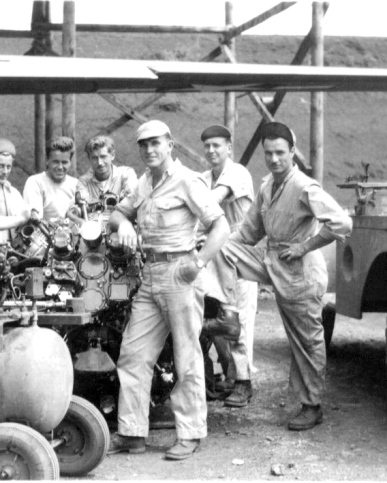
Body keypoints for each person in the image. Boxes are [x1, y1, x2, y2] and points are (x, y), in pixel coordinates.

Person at [207, 121, 352, 430]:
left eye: (280, 153)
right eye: (268, 153)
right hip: (272, 262)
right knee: (222, 249)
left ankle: (312, 406)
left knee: (305, 341)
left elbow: (342, 223)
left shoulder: (304, 186)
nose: (274, 159)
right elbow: (247, 233)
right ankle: (229, 315)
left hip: (301, 273)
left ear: (293, 152)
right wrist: (208, 243)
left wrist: (305, 246)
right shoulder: (267, 186)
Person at [106, 120, 231, 460]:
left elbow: (221, 225)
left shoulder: (187, 181)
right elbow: (116, 215)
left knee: (186, 357)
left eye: (155, 143)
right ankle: (132, 433)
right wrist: (127, 222)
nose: (149, 150)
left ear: (170, 144)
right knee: (133, 354)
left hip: (180, 272)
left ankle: (190, 434)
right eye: (143, 145)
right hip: (151, 274)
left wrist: (200, 261)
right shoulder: (144, 182)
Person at [197, 124, 259, 408]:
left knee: (239, 321)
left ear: (229, 148)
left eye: (217, 146)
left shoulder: (237, 172)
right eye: (207, 146)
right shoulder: (203, 177)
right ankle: (230, 374)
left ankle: (244, 382)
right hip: (215, 254)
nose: (211, 151)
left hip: (239, 253)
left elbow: (212, 201)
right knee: (217, 318)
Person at [22, 136, 79, 223]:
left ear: (70, 162)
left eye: (64, 162)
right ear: (47, 161)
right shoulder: (35, 182)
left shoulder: (76, 185)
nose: (60, 167)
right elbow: (35, 220)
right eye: (55, 162)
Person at [76, 135, 138, 202]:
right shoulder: (84, 182)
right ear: (89, 159)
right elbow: (81, 204)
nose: (99, 163)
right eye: (94, 158)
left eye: (103, 157)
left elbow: (133, 197)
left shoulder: (126, 174)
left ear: (112, 155)